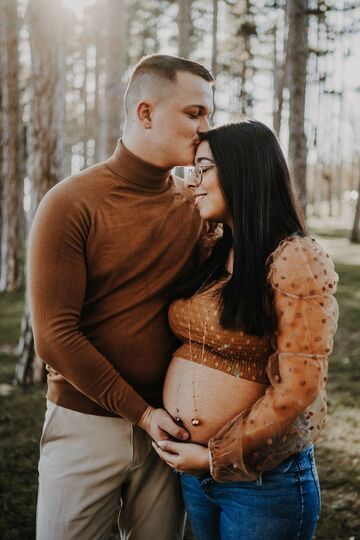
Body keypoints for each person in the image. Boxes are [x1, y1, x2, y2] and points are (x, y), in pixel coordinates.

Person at [28, 54, 214, 540]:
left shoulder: (195, 208)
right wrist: (141, 414)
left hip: (173, 432)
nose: (204, 128)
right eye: (194, 113)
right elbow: (53, 336)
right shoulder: (70, 203)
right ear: (146, 113)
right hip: (84, 423)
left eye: (208, 115)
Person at [152, 120, 339, 540]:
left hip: (261, 483)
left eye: (203, 168)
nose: (193, 182)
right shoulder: (214, 248)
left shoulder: (295, 259)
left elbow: (297, 389)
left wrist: (214, 458)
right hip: (194, 475)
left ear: (242, 171)